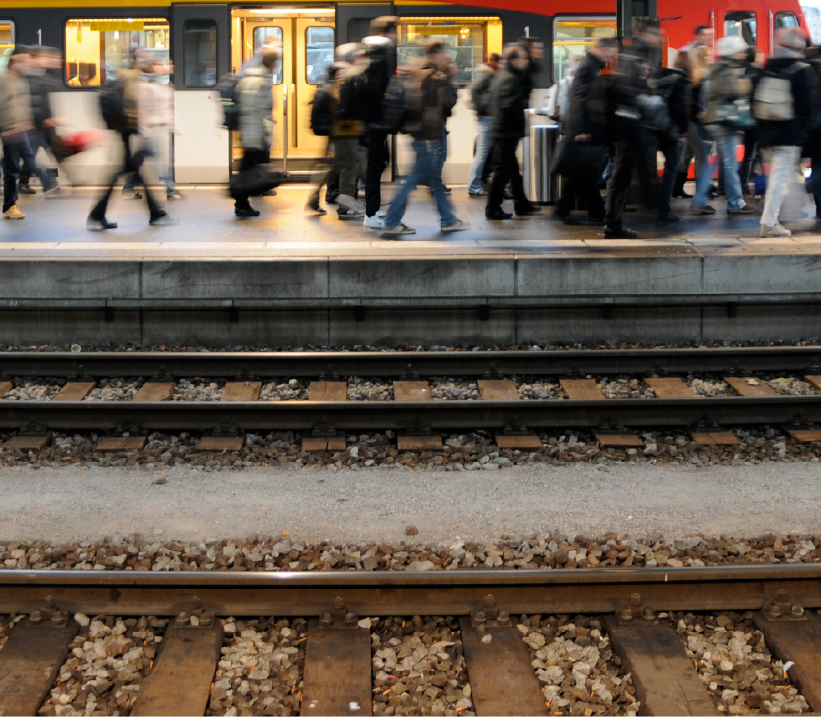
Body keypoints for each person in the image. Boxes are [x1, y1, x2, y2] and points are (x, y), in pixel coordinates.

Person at [381, 40, 467, 237]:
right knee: (415, 180)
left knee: (434, 179)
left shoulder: (418, 73)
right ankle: (392, 220)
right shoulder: (434, 78)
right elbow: (445, 106)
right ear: (435, 54)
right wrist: (450, 79)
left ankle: (448, 219)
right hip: (429, 137)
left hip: (421, 136)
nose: (446, 57)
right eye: (442, 53)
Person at [87, 50, 169, 230]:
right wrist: (140, 130)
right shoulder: (133, 78)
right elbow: (133, 109)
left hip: (125, 132)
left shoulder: (128, 77)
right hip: (127, 133)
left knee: (130, 171)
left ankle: (155, 213)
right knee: (129, 172)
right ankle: (154, 213)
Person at [753, 27, 818, 237]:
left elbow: (755, 96)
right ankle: (769, 222)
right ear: (799, 46)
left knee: (780, 176)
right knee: (780, 179)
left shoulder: (768, 65)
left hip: (766, 132)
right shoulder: (801, 69)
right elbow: (806, 104)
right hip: (789, 133)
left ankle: (785, 213)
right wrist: (805, 128)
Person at [602, 23, 661, 238]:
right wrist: (645, 101)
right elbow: (627, 91)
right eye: (654, 34)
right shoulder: (635, 57)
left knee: (623, 174)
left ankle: (614, 222)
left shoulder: (634, 55)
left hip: (626, 125)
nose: (657, 38)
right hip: (627, 126)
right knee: (624, 175)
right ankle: (614, 223)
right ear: (643, 34)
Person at [553, 37, 618, 225]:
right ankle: (578, 210)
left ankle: (588, 210)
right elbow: (579, 98)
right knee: (582, 172)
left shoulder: (590, 65)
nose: (610, 59)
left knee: (582, 173)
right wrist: (580, 129)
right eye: (610, 54)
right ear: (603, 49)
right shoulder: (588, 67)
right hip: (583, 128)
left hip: (585, 127)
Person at [306, 43, 368, 220]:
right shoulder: (345, 75)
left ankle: (313, 198)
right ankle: (345, 207)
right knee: (348, 168)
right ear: (352, 58)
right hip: (344, 131)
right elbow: (343, 106)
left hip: (335, 130)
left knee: (331, 166)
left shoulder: (334, 72)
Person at [485, 44, 541, 220]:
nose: (526, 61)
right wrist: (519, 124)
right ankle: (493, 208)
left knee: (513, 171)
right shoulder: (511, 78)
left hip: (503, 130)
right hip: (506, 132)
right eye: (523, 58)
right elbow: (509, 106)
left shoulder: (505, 76)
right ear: (514, 60)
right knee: (502, 172)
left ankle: (521, 204)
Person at [702, 34, 756, 216]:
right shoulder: (725, 68)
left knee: (720, 162)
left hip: (718, 119)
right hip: (724, 121)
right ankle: (735, 202)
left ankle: (701, 198)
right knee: (730, 163)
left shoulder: (720, 67)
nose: (743, 54)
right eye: (740, 51)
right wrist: (746, 84)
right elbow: (732, 90)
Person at [0, 46, 52, 220]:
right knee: (12, 169)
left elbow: (22, 105)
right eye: (21, 61)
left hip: (21, 129)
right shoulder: (5, 80)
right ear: (13, 62)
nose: (25, 64)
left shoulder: (20, 80)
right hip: (11, 130)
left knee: (26, 161)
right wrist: (5, 128)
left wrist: (27, 122)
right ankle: (10, 205)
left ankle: (12, 202)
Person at [124, 58, 180, 200]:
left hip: (161, 128)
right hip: (152, 129)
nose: (170, 66)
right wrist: (145, 130)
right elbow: (144, 109)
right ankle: (170, 189)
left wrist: (175, 126)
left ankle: (129, 186)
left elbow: (168, 109)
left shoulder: (163, 85)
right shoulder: (145, 87)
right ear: (154, 67)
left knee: (143, 157)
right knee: (161, 160)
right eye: (165, 64)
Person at [361, 16, 398, 229]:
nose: (397, 37)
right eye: (395, 32)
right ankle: (371, 213)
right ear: (388, 32)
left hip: (371, 119)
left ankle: (373, 209)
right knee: (376, 164)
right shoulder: (383, 50)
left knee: (379, 161)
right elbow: (384, 88)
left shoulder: (369, 50)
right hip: (376, 120)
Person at [232, 45, 277, 218]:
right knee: (247, 169)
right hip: (253, 132)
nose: (276, 65)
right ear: (270, 62)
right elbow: (251, 112)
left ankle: (242, 202)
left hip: (255, 131)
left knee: (249, 167)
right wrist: (257, 137)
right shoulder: (257, 81)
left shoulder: (258, 78)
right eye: (275, 62)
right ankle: (240, 202)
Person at [674, 26, 715, 198]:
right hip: (695, 117)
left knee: (688, 153)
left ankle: (677, 187)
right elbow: (689, 93)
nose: (709, 38)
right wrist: (699, 110)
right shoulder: (689, 55)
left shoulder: (701, 63)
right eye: (706, 35)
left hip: (692, 117)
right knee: (701, 153)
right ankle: (701, 191)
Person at [18, 45, 61, 195]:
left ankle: (25, 183)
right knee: (27, 155)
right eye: (43, 56)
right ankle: (47, 181)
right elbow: (33, 101)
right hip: (34, 124)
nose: (46, 59)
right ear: (34, 58)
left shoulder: (40, 76)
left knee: (30, 154)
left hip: (39, 123)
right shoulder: (31, 76)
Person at [650, 58, 689, 223]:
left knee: (647, 170)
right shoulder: (680, 81)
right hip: (672, 132)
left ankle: (654, 205)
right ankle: (663, 211)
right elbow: (681, 108)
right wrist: (683, 129)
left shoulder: (656, 79)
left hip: (654, 129)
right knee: (670, 171)